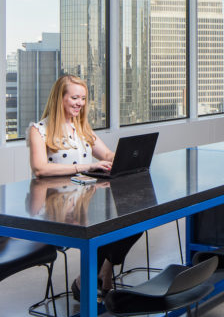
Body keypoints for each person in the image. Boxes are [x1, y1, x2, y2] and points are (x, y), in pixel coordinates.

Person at [27, 75, 142, 300]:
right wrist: (86, 165)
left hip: (83, 200)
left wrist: (128, 156)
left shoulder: (82, 129)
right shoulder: (39, 130)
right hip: (55, 206)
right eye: (75, 97)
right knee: (105, 224)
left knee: (136, 219)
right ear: (60, 99)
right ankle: (95, 278)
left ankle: (101, 272)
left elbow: (106, 153)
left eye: (83, 98)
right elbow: (40, 169)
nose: (80, 103)